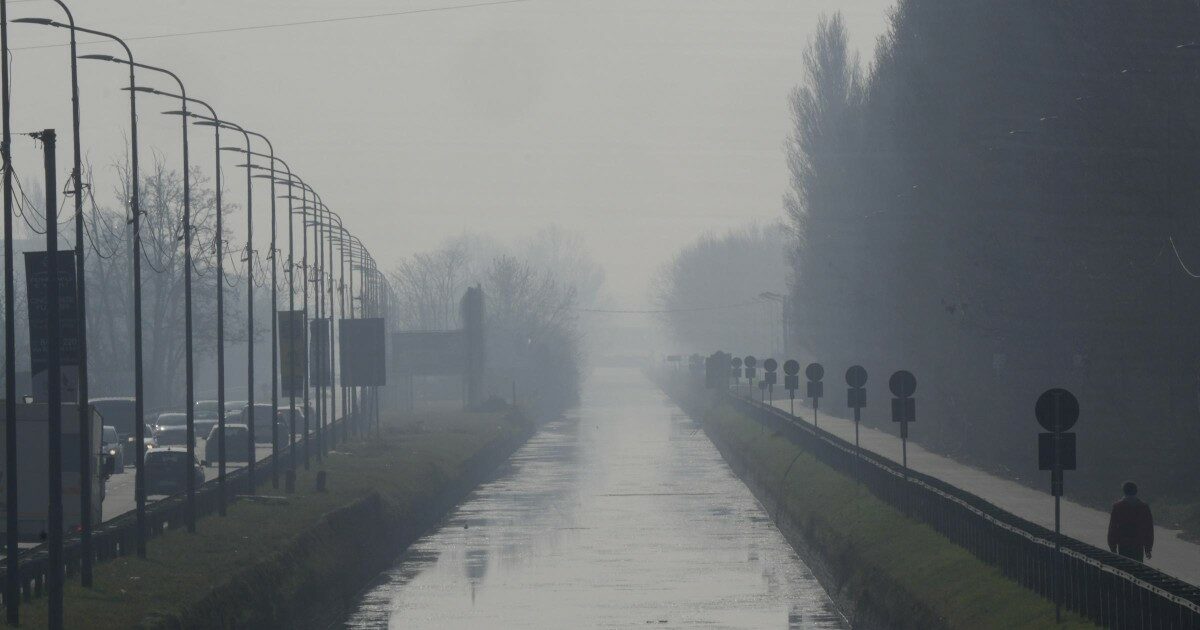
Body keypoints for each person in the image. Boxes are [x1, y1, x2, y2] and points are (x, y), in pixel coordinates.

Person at [1107, 481, 1154, 562]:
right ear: (1136, 491)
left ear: (1124, 491)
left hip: (1123, 544)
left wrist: (1112, 547)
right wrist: (1148, 548)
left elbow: (1113, 528)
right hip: (1138, 544)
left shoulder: (1118, 506)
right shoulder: (1144, 507)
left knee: (1124, 567)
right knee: (1137, 569)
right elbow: (1149, 529)